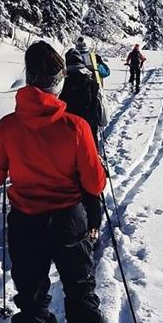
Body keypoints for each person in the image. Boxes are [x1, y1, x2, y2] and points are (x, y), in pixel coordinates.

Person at [0, 41, 107, 323]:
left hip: (26, 224)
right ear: (58, 83)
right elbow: (93, 180)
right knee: (79, 287)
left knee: (33, 301)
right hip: (69, 221)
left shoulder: (8, 125)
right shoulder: (75, 126)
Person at [61, 45, 109, 240]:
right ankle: (93, 227)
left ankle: (71, 221)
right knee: (90, 182)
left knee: (70, 181)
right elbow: (104, 117)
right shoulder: (92, 83)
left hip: (62, 140)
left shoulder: (59, 85)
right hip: (88, 137)